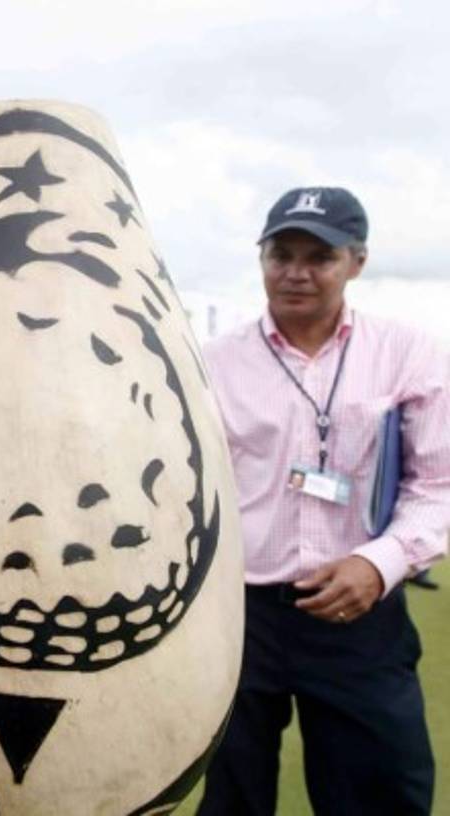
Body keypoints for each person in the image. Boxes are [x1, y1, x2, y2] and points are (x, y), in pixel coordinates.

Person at [197, 187, 449, 815]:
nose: (296, 273)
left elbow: (438, 485)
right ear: (261, 257)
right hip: (240, 619)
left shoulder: (407, 352)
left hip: (360, 613)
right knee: (231, 798)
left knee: (382, 794)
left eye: (319, 256)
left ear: (356, 263)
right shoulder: (212, 364)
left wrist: (381, 561)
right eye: (281, 253)